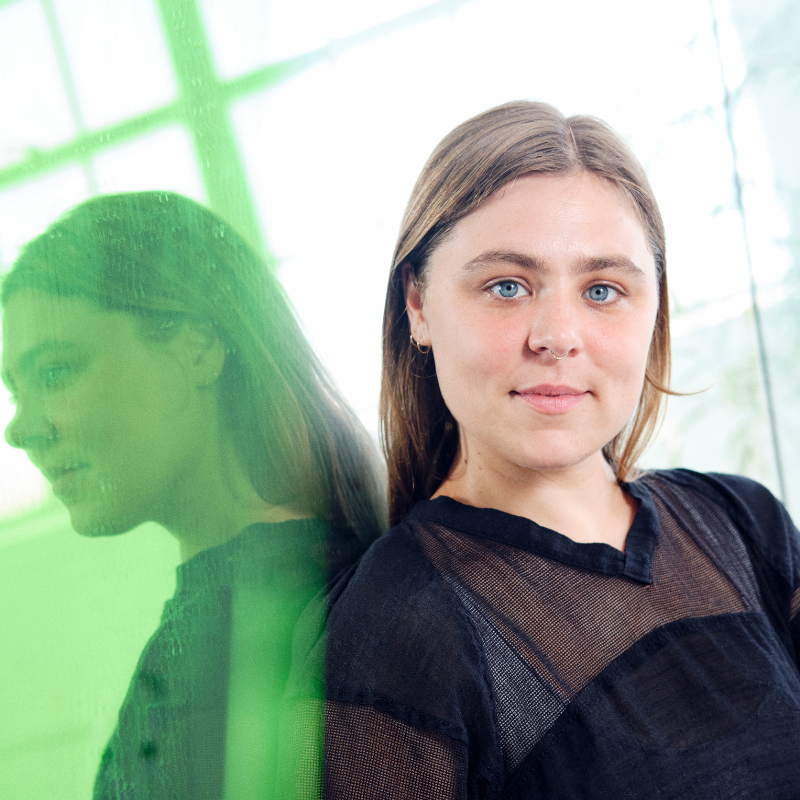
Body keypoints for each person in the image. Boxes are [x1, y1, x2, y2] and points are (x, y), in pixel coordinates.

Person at [282, 101, 800, 798]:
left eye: (603, 289)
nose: (557, 334)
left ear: (654, 309)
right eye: (506, 286)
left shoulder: (740, 520)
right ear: (419, 305)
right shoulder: (392, 631)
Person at [0, 191, 385, 799]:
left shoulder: (261, 625)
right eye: (16, 389)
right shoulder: (290, 588)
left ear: (198, 346)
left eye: (55, 372)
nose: (22, 428)